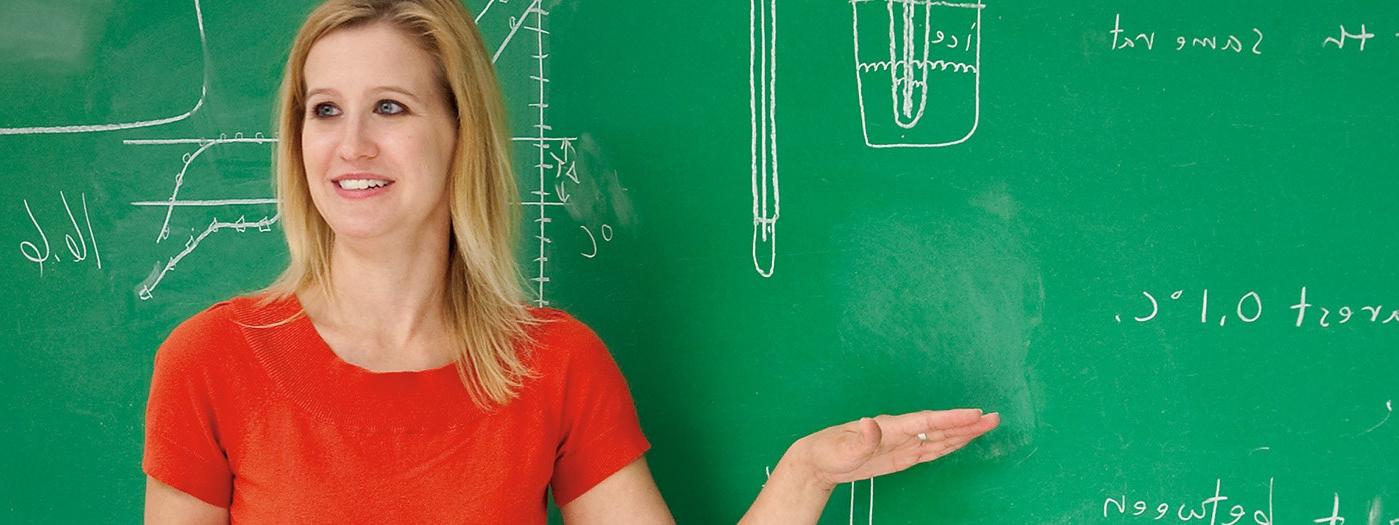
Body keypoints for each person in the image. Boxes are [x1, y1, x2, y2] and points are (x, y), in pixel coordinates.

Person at [141, 0, 1001, 522]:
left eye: (391, 106)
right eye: (323, 109)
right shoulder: (212, 363)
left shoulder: (552, 366)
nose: (350, 143)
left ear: (459, 133)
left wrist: (808, 475)